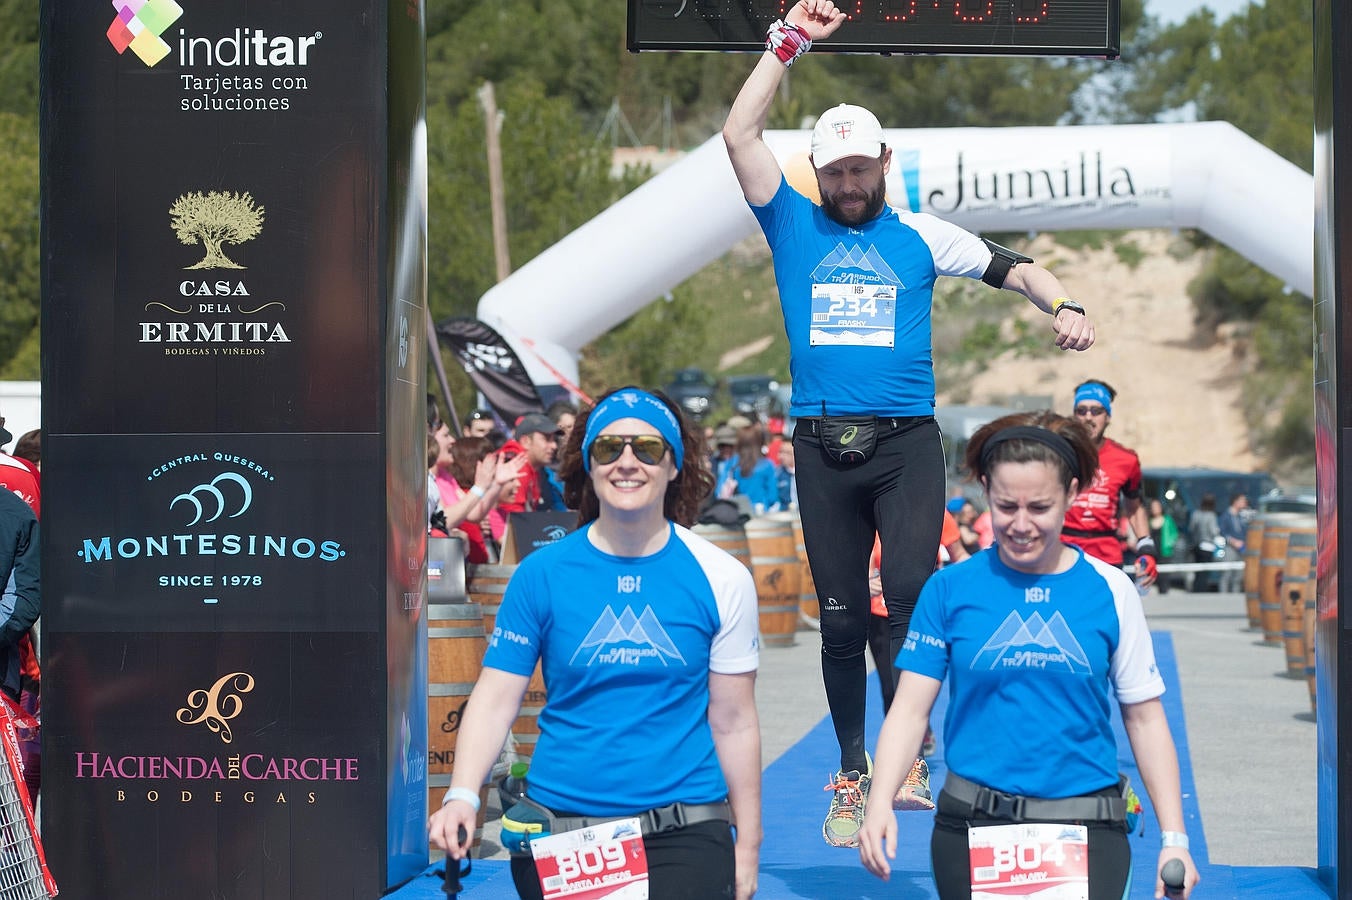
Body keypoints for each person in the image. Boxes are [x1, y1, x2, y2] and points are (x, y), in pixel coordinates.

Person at [722, 0, 1096, 848]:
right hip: (821, 445)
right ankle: (853, 772)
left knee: (912, 604)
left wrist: (1064, 303)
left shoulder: (923, 236)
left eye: (861, 169)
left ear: (885, 162)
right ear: (817, 171)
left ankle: (909, 754)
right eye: (836, 172)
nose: (849, 185)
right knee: (842, 615)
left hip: (903, 445)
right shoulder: (791, 222)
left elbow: (1018, 266)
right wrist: (785, 45)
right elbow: (739, 135)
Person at [428, 387, 763, 900]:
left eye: (647, 449)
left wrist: (749, 846)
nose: (627, 462)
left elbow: (734, 720)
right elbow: (495, 698)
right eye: (609, 448)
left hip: (685, 833)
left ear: (673, 466)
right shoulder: (541, 574)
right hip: (565, 833)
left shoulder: (722, 577)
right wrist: (461, 796)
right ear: (588, 464)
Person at [858, 411, 1199, 900]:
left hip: (1087, 827)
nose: (1020, 525)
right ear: (984, 494)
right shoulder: (949, 590)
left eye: (1039, 507)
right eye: (1005, 506)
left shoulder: (1111, 591)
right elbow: (910, 712)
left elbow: (1144, 720)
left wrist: (1175, 840)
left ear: (1072, 494)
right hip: (972, 827)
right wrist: (878, 804)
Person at [1063, 380, 1158, 590]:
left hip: (1106, 554)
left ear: (1108, 417)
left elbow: (1134, 506)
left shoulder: (1126, 459)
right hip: (1062, 550)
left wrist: (1146, 547)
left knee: (1106, 620)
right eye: (1081, 410)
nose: (1088, 417)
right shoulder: (1057, 451)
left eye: (1096, 410)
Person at [715, 426, 779, 514]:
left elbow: (720, 491)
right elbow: (772, 496)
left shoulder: (731, 464)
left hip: (737, 513)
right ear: (759, 442)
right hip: (761, 512)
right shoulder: (767, 465)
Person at [1187, 493, 1223, 592]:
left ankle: (1195, 589)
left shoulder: (1196, 514)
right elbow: (1213, 531)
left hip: (1196, 545)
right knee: (1205, 571)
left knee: (1197, 570)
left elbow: (1191, 528)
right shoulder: (1211, 515)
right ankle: (1202, 590)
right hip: (1207, 546)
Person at [1217, 492, 1249, 593]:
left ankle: (1236, 596)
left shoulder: (1242, 516)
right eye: (1242, 501)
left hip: (1242, 548)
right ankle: (1224, 596)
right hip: (1229, 548)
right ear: (1235, 502)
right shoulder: (1226, 516)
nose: (1245, 503)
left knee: (1239, 575)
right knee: (1226, 574)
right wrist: (1233, 541)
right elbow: (1222, 532)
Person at [1148, 498, 1180, 594]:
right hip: (1152, 552)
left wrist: (1170, 543)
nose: (1155, 509)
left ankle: (1164, 593)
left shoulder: (1167, 520)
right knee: (1153, 575)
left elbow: (1175, 534)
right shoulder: (1148, 521)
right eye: (1153, 507)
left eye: (1157, 506)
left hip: (1164, 551)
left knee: (1164, 576)